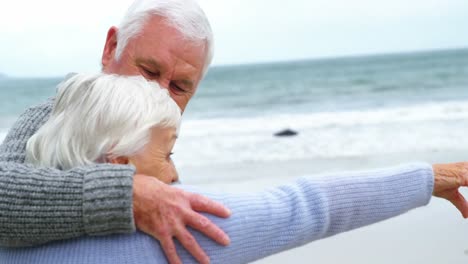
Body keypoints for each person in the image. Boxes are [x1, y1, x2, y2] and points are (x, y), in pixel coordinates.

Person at [0, 0, 467, 263]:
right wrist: (129, 194)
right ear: (111, 47)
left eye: (181, 86)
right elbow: (302, 208)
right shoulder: (51, 117)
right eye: (149, 71)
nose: (164, 95)